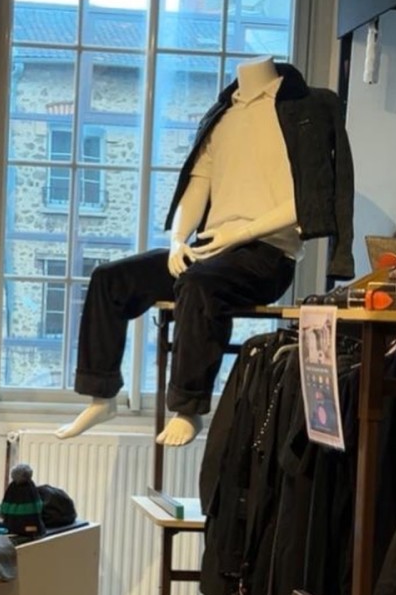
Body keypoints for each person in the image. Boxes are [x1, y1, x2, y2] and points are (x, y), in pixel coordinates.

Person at [55, 56, 355, 446]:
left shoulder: (310, 107)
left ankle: (188, 407)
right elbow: (199, 183)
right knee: (110, 279)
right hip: (210, 248)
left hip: (268, 254)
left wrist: (242, 231)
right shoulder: (223, 114)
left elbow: (313, 197)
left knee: (199, 285)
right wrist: (178, 240)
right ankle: (102, 395)